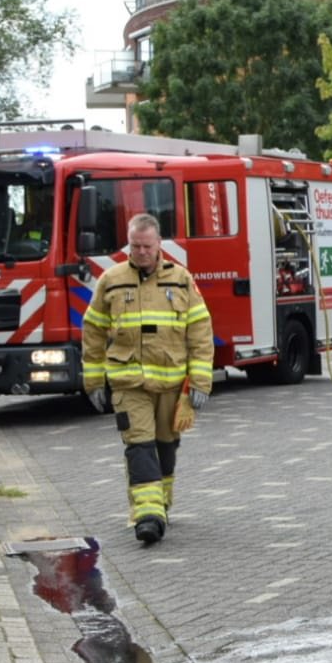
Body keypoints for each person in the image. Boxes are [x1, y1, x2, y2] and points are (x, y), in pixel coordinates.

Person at [82, 214, 215, 545]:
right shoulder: (111, 280)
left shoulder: (182, 280)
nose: (140, 252)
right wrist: (94, 381)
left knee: (166, 448)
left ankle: (161, 502)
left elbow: (201, 331)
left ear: (159, 245)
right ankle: (148, 516)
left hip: (171, 385)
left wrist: (200, 382)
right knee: (139, 447)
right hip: (129, 385)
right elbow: (93, 331)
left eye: (147, 246)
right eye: (135, 245)